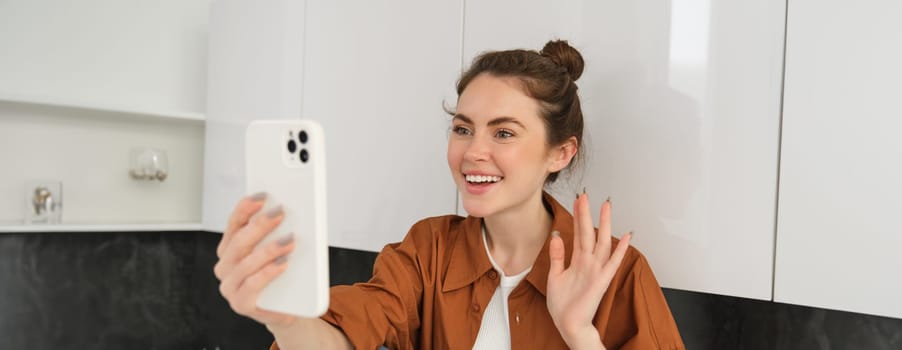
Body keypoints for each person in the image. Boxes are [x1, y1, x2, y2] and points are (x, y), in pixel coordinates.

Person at [214, 40, 685, 350]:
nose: (472, 152)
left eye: (503, 134)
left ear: (560, 153)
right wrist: (283, 319)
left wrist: (581, 334)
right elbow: (345, 336)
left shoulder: (618, 276)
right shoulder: (428, 251)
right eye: (463, 128)